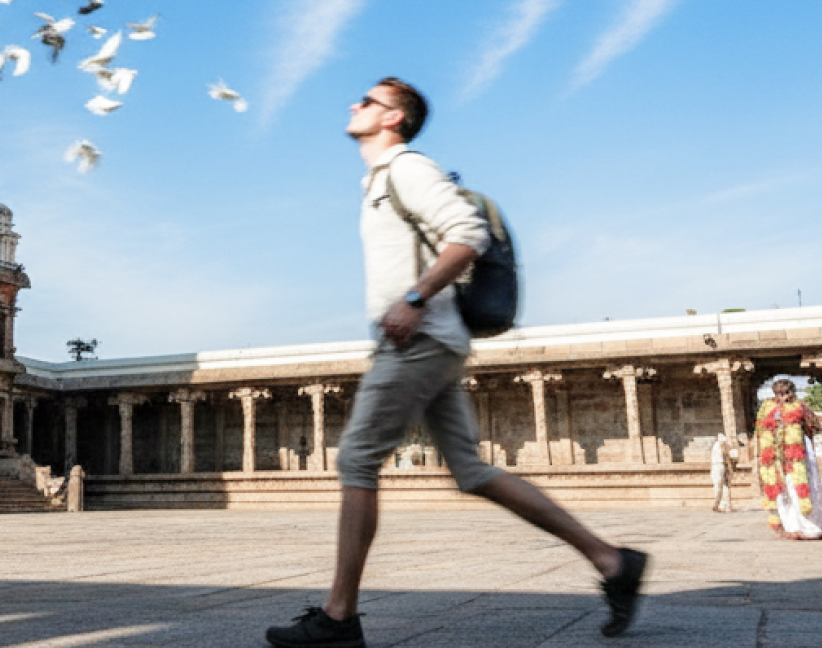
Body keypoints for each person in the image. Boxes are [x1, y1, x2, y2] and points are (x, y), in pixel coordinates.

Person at [265, 78, 647, 648]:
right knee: (470, 470)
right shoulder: (380, 179)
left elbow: (466, 233)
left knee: (357, 459)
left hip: (418, 341)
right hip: (434, 341)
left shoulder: (407, 169)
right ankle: (611, 561)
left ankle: (339, 617)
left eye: (367, 100)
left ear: (393, 117)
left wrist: (415, 299)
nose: (354, 104)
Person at [754, 379, 822, 540]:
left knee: (801, 492)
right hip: (774, 458)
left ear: (792, 393)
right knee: (782, 493)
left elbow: (815, 427)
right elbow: (759, 431)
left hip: (797, 457)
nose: (783, 397)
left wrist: (799, 431)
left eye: (786, 393)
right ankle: (791, 527)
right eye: (779, 393)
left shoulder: (800, 406)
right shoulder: (767, 407)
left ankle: (812, 529)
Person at [709, 432, 747, 512]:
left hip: (720, 466)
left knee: (722, 486)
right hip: (719, 465)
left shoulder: (721, 446)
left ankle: (721, 504)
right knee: (721, 486)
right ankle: (721, 504)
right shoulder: (719, 446)